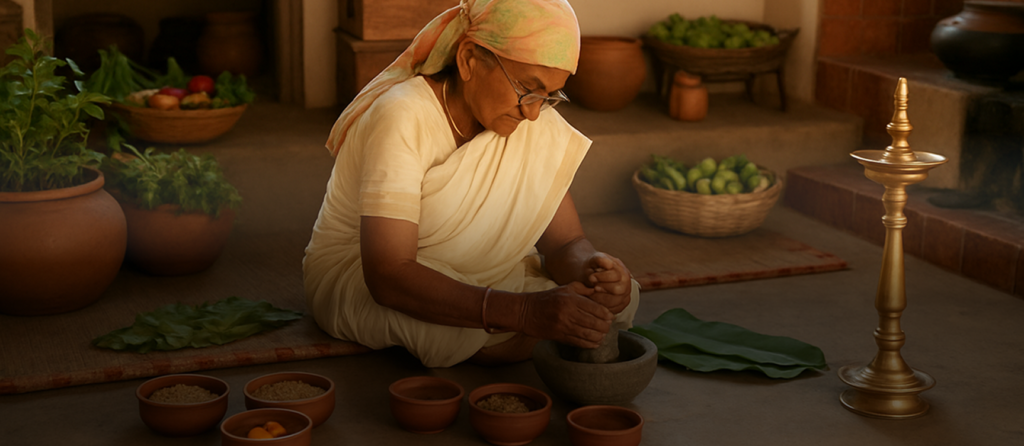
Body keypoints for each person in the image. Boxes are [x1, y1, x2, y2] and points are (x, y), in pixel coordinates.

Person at [303, 0, 640, 368]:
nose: (532, 113)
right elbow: (388, 274)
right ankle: (517, 333)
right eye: (528, 88)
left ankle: (518, 331)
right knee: (447, 330)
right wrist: (524, 312)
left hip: (481, 274)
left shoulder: (528, 120)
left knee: (611, 303)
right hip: (364, 275)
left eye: (549, 97)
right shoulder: (402, 115)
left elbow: (565, 243)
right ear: (468, 60)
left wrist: (595, 273)